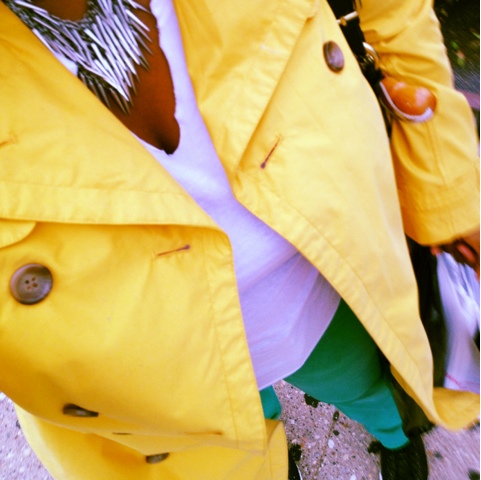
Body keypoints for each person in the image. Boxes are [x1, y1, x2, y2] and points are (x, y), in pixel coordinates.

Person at [0, 0, 479, 479]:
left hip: (315, 297)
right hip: (166, 384)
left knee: (368, 389)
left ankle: (394, 436)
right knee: (240, 445)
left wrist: (443, 174)